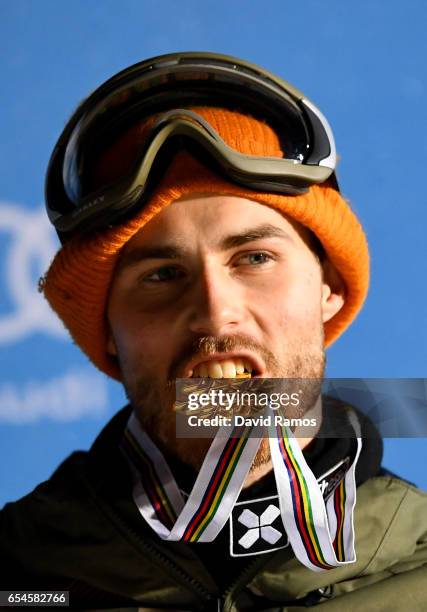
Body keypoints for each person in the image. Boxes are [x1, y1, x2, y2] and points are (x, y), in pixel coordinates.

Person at [1, 52, 427, 611]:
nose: (214, 312)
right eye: (161, 275)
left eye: (254, 258)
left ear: (330, 288)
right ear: (106, 328)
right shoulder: (19, 574)